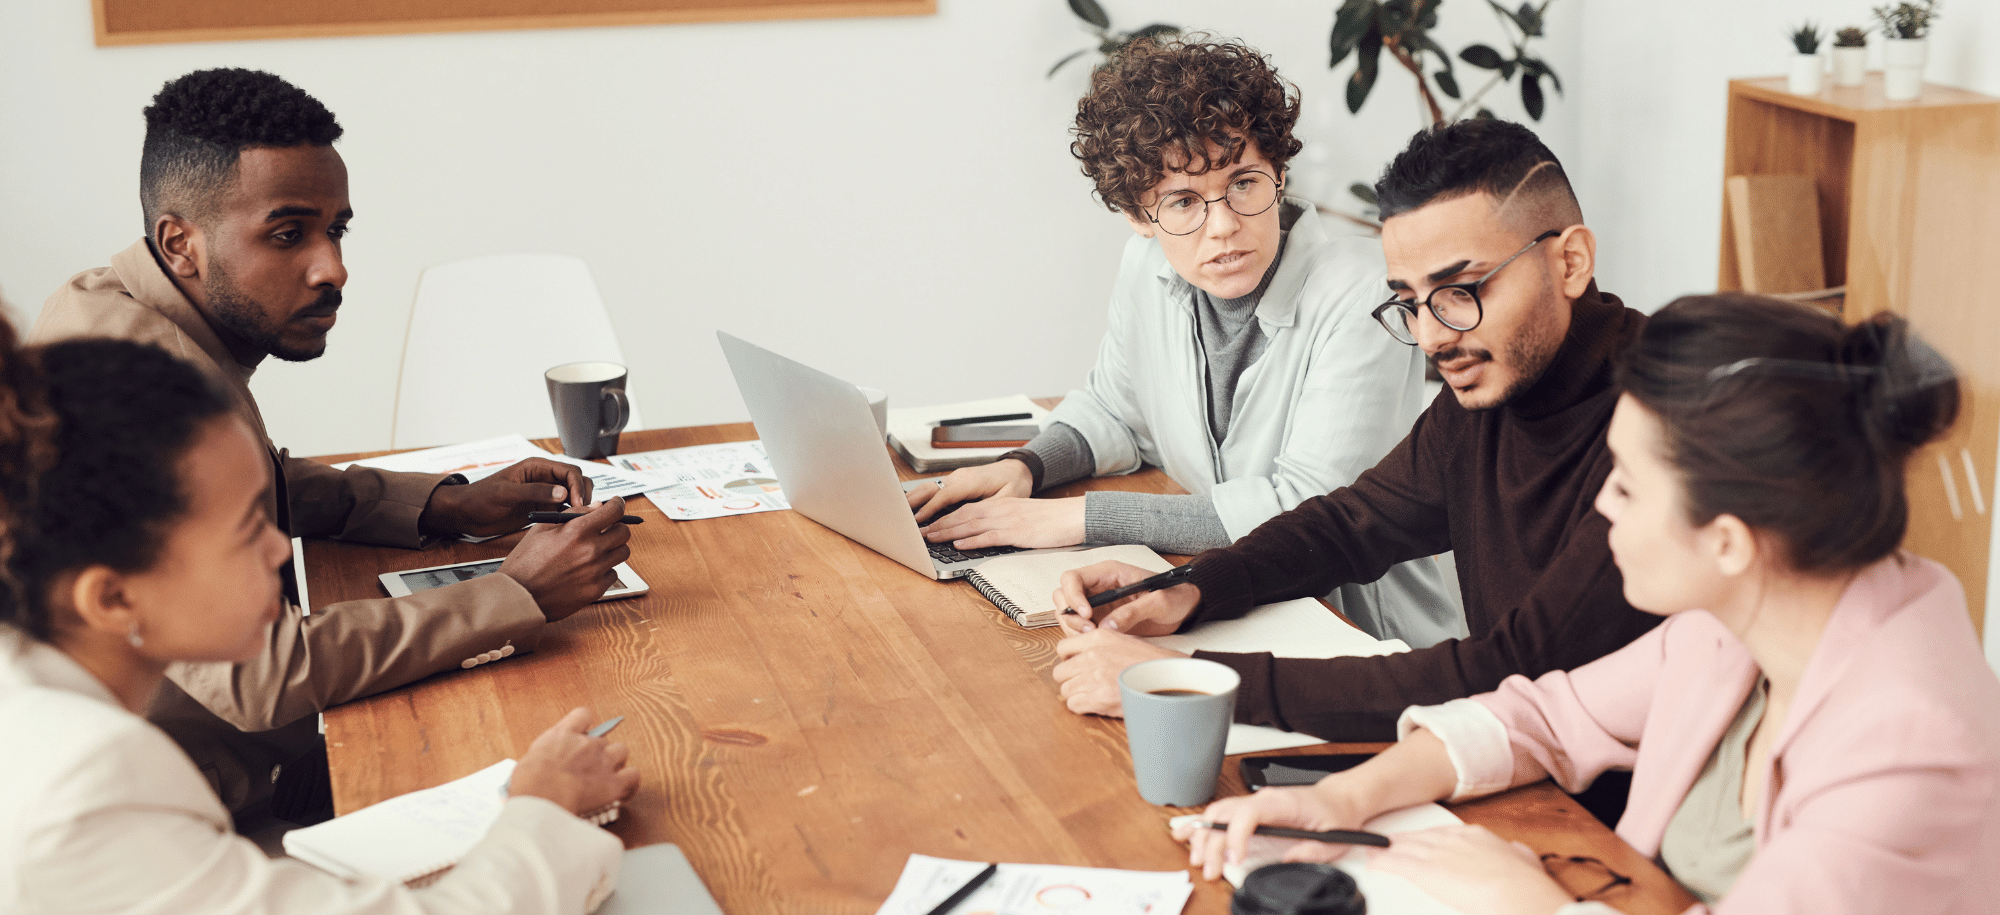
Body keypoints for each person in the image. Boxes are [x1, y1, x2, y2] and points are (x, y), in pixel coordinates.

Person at [1180, 295, 2000, 915]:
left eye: (1630, 485)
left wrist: (1534, 903)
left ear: (1729, 540)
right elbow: (1543, 713)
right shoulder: (1747, 616)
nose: (1603, 503)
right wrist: (1340, 798)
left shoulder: (1909, 748)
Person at [31, 68, 633, 818]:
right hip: (219, 813)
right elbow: (261, 674)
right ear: (179, 242)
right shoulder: (129, 390)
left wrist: (449, 503)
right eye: (288, 234)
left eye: (335, 229)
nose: (333, 268)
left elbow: (250, 484)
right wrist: (515, 594)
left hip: (246, 757)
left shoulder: (122, 307)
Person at [1049, 118, 1660, 748]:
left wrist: (1191, 680)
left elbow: (1509, 670)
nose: (1432, 337)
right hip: (1512, 757)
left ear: (1571, 261)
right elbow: (1350, 525)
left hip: (1614, 818)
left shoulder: (1664, 431)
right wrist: (1187, 590)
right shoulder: (1494, 387)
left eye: (1462, 289)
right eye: (1411, 301)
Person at [0, 324, 641, 913]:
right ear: (112, 599)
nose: (281, 550)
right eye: (247, 528)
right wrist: (542, 811)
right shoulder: (91, 785)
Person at [905, 37, 1457, 647]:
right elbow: (1116, 409)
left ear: (1280, 172)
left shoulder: (1362, 293)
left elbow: (1308, 510)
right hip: (1226, 598)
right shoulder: (1147, 267)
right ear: (1138, 218)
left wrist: (1068, 519)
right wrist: (1025, 467)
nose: (1223, 226)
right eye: (1183, 202)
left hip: (1356, 634)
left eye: (1245, 182)